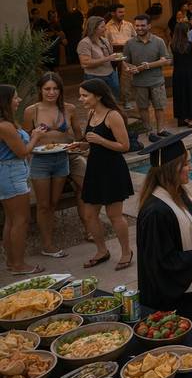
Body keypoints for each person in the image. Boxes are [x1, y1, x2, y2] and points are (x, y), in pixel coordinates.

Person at [136, 131, 192, 328]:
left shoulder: (178, 192)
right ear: (171, 169)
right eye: (186, 164)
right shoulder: (155, 212)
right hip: (177, 298)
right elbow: (160, 262)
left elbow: (177, 230)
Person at [23, 73, 87, 258]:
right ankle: (47, 245)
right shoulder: (31, 111)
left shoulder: (69, 109)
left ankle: (85, 230)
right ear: (40, 90)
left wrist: (76, 144)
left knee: (53, 203)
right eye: (47, 89)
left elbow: (78, 135)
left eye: (55, 88)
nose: (51, 92)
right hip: (40, 160)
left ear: (60, 90)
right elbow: (25, 139)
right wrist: (34, 138)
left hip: (62, 157)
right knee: (43, 205)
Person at [73, 78, 134, 271]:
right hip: (94, 169)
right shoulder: (91, 113)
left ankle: (126, 252)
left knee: (114, 215)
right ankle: (102, 251)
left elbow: (124, 146)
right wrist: (82, 145)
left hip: (112, 169)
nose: (81, 99)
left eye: (84, 95)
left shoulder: (113, 115)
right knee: (89, 214)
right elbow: (91, 142)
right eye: (80, 95)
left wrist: (100, 140)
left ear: (98, 96)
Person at [0, 85, 47, 274]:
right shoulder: (5, 126)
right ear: (5, 101)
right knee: (21, 220)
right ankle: (19, 265)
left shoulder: (7, 123)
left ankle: (12, 262)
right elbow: (22, 152)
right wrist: (35, 137)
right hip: (12, 173)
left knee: (11, 219)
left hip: (9, 172)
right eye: (15, 97)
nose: (18, 100)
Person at [123, 14, 172, 142]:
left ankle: (161, 130)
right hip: (139, 82)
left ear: (149, 26)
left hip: (157, 80)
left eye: (142, 25)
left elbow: (167, 60)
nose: (139, 28)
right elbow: (125, 61)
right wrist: (129, 68)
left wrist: (148, 66)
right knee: (143, 107)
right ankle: (148, 131)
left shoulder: (159, 41)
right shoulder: (129, 43)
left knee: (159, 107)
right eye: (137, 25)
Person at [170, 23, 192, 129]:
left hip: (178, 73)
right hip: (190, 72)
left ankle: (184, 118)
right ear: (186, 32)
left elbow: (171, 61)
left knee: (181, 95)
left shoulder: (172, 45)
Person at [77, 16, 122, 99]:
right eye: (102, 27)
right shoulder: (85, 43)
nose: (105, 29)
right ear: (93, 28)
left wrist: (119, 57)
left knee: (113, 99)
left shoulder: (104, 40)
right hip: (95, 77)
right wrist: (108, 58)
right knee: (98, 102)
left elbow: (110, 55)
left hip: (111, 74)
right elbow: (85, 63)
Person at [105, 3, 136, 110]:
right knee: (118, 76)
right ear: (113, 13)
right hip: (114, 52)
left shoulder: (129, 25)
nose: (123, 14)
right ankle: (119, 100)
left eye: (124, 11)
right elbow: (106, 43)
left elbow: (135, 38)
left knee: (126, 75)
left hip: (127, 51)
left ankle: (126, 99)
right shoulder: (107, 27)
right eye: (120, 12)